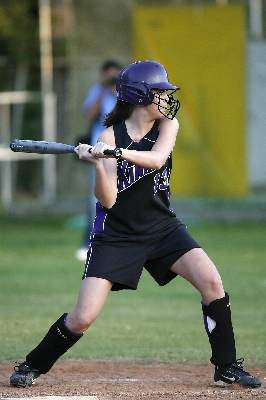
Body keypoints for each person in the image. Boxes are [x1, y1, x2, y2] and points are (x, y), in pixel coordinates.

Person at [10, 60, 261, 390]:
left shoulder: (167, 125)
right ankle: (32, 365)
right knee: (82, 317)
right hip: (117, 236)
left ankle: (226, 367)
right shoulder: (107, 135)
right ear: (140, 96)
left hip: (163, 228)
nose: (166, 98)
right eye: (160, 92)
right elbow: (109, 200)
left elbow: (156, 159)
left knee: (212, 284)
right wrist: (98, 163)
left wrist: (117, 153)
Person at [75, 60, 122, 262]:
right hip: (99, 153)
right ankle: (88, 242)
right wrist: (104, 89)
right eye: (109, 75)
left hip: (122, 152)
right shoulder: (98, 91)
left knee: (122, 199)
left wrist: (116, 89)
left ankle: (119, 242)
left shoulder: (125, 95)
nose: (112, 78)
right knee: (95, 200)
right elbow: (91, 114)